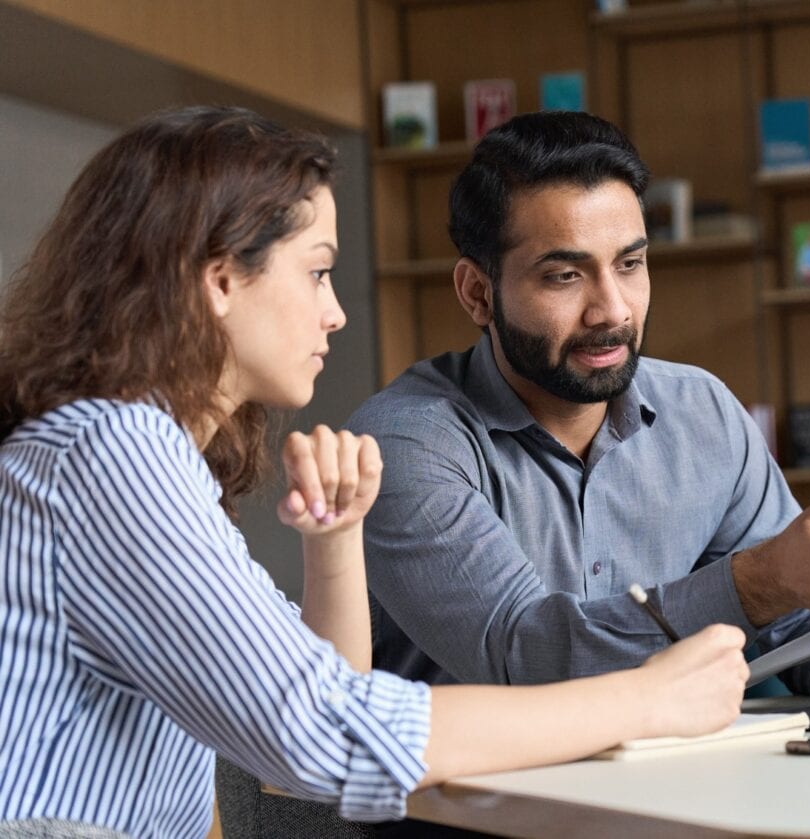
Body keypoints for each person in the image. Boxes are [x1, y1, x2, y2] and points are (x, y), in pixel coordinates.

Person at [0, 106, 751, 838]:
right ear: (221, 280)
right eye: (318, 272)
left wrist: (334, 541)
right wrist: (645, 699)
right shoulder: (114, 451)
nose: (336, 313)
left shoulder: (130, 454)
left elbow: (315, 714)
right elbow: (328, 739)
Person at [348, 111, 810, 699]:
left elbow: (799, 633)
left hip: (670, 784)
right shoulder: (404, 443)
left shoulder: (703, 414)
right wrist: (759, 583)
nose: (613, 310)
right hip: (460, 795)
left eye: (629, 264)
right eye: (564, 275)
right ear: (479, 294)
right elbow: (522, 656)